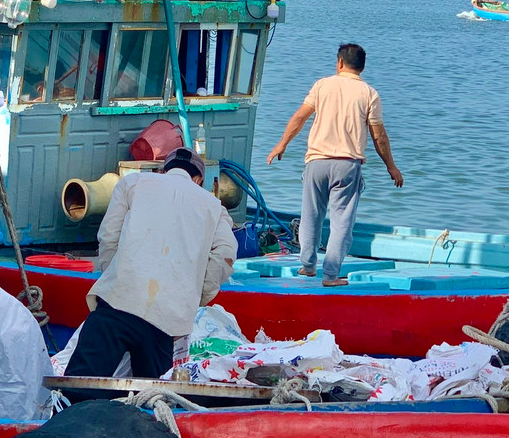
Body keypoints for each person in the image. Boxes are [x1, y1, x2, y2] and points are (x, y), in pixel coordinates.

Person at [65, 148, 238, 382]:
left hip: (116, 304)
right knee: (152, 394)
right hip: (165, 322)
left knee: (80, 384)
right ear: (198, 179)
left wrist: (116, 277)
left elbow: (108, 237)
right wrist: (197, 295)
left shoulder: (132, 183)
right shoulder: (214, 207)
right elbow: (225, 254)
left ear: (164, 171)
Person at [266, 43, 403, 286]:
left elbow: (300, 117)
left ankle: (308, 265)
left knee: (310, 215)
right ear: (362, 67)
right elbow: (379, 136)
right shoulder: (369, 94)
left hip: (316, 162)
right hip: (347, 165)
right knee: (341, 222)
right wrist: (391, 166)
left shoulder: (322, 85)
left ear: (339, 62)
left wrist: (282, 144)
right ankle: (330, 275)